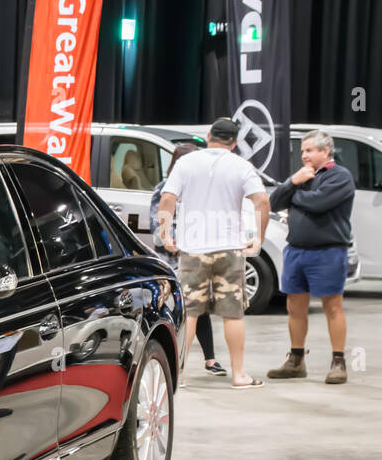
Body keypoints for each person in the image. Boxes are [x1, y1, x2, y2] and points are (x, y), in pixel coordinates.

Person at [157, 117, 271, 389]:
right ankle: (239, 375)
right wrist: (258, 238)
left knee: (191, 313)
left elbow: (167, 198)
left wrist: (165, 234)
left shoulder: (186, 163)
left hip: (193, 248)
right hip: (229, 248)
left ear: (209, 136)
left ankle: (178, 375)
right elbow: (262, 200)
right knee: (233, 314)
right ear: (235, 142)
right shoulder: (242, 166)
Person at [265, 129, 355, 384]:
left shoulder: (340, 176)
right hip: (296, 251)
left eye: (309, 150)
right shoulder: (302, 176)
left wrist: (295, 195)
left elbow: (318, 203)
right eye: (302, 151)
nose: (304, 155)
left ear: (325, 152)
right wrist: (292, 182)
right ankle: (296, 360)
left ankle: (338, 362)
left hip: (328, 251)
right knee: (294, 306)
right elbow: (274, 202)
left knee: (332, 306)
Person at [150, 142, 225, 377]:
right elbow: (158, 232)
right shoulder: (164, 189)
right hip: (173, 262)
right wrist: (181, 241)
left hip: (198, 257)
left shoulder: (201, 190)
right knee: (178, 312)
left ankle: (210, 360)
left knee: (199, 308)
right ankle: (173, 363)